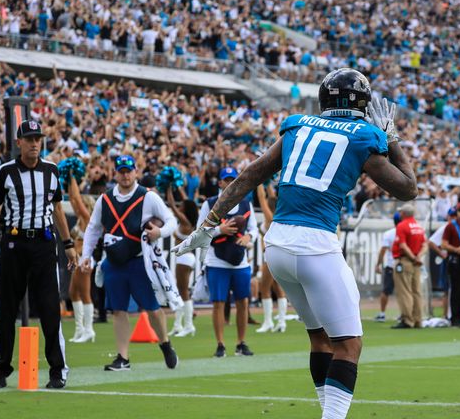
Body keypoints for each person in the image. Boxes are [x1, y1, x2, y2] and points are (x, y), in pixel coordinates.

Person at [173, 68, 417, 419]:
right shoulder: (364, 136)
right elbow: (408, 188)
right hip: (316, 245)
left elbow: (249, 175)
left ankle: (326, 411)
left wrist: (208, 223)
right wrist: (391, 136)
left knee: (319, 337)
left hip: (278, 246)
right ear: (360, 103)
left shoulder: (298, 125)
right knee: (348, 345)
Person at [0, 120, 78, 389]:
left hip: (44, 246)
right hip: (14, 244)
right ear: (18, 142)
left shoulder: (51, 170)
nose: (35, 143)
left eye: (38, 138)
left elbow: (57, 209)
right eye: (29, 138)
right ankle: (1, 368)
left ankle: (58, 370)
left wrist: (68, 243)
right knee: (6, 308)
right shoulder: (6, 172)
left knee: (49, 309)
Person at [80, 155, 178, 372]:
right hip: (114, 262)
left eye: (129, 171)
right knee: (118, 310)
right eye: (121, 171)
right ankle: (123, 357)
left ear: (135, 172)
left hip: (139, 261)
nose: (125, 175)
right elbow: (93, 228)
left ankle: (165, 343)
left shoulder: (148, 197)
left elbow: (172, 221)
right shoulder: (104, 200)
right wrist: (85, 255)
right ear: (115, 173)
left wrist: (159, 232)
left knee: (152, 308)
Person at [200, 167, 258, 357]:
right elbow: (199, 231)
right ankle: (220, 344)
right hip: (217, 260)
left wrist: (249, 237)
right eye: (227, 180)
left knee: (243, 302)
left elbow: (254, 229)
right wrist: (219, 230)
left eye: (234, 179)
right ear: (220, 183)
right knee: (218, 302)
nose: (231, 183)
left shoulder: (246, 204)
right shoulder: (209, 204)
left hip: (240, 260)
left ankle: (241, 343)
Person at [166, 187, 199, 337]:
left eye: (182, 206)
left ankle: (189, 325)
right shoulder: (186, 222)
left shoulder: (186, 222)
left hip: (185, 259)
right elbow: (184, 202)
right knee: (179, 292)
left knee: (183, 292)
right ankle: (178, 325)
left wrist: (168, 188)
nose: (179, 207)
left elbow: (172, 205)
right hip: (184, 259)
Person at [66, 175, 96, 343]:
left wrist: (72, 174)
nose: (78, 207)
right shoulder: (79, 220)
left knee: (85, 294)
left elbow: (76, 198)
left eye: (83, 205)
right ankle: (79, 329)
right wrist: (69, 181)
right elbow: (72, 198)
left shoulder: (88, 220)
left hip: (86, 259)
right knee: (73, 293)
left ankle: (89, 330)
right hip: (77, 259)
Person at [256, 183, 288, 333]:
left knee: (264, 288)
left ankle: (268, 321)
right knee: (278, 288)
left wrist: (259, 182)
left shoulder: (270, 219)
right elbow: (271, 197)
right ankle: (281, 322)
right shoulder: (279, 215)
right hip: (279, 256)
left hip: (270, 256)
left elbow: (262, 199)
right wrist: (268, 184)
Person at [390, 204, 427, 329]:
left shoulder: (401, 225)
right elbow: (425, 245)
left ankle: (407, 320)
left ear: (403, 214)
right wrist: (418, 257)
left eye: (401, 212)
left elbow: (403, 245)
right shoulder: (419, 226)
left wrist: (412, 257)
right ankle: (418, 320)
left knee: (405, 291)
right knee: (416, 291)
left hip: (405, 261)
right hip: (417, 263)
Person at [427, 208, 455, 319]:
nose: (453, 218)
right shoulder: (444, 228)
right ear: (448, 217)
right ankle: (446, 314)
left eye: (454, 216)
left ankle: (455, 314)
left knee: (457, 289)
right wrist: (441, 253)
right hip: (448, 261)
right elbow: (431, 242)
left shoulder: (459, 227)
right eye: (451, 216)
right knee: (447, 289)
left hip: (458, 260)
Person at [374, 212, 400, 323]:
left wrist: (378, 264)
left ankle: (383, 313)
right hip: (401, 265)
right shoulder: (405, 231)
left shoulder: (389, 234)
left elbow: (383, 250)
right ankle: (403, 314)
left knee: (386, 291)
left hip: (390, 265)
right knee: (403, 291)